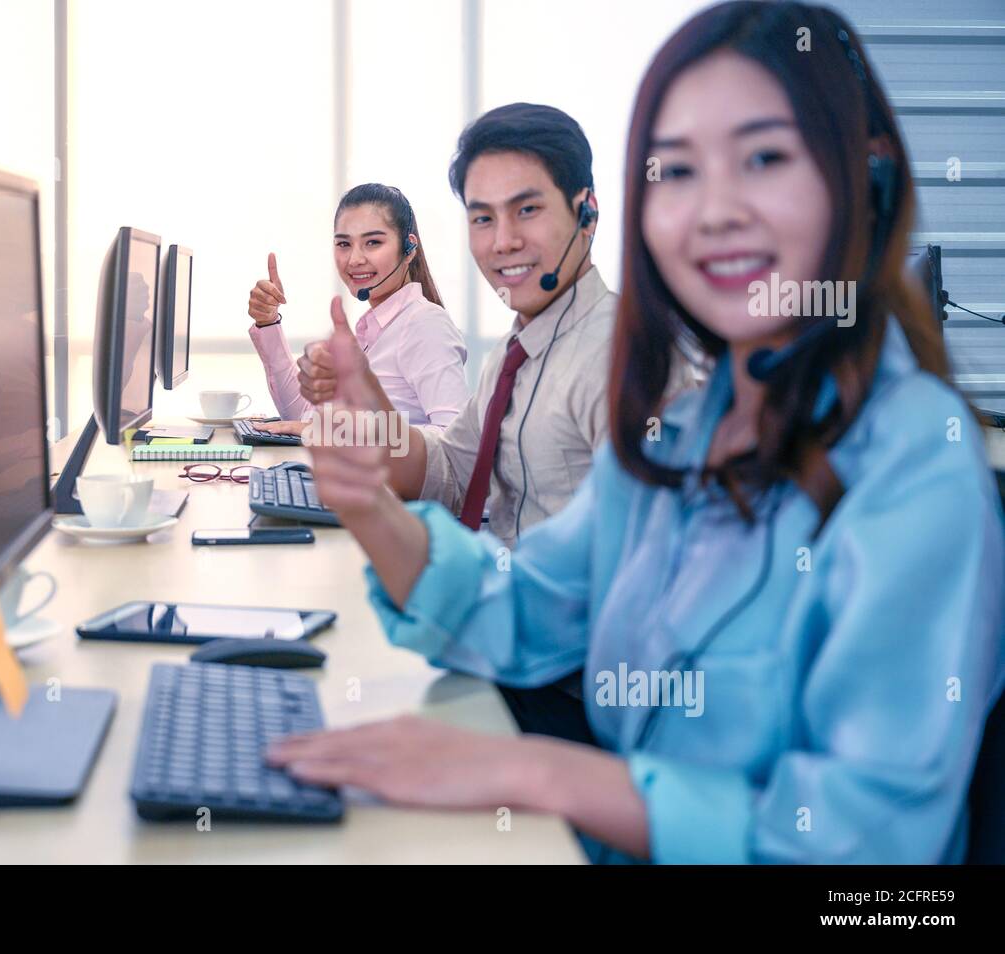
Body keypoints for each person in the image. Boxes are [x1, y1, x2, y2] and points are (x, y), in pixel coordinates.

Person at [270, 0, 1005, 864]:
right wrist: (365, 501)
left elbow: (865, 855)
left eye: (764, 158)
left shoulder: (918, 467)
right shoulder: (682, 435)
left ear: (864, 181)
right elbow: (524, 608)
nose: (714, 211)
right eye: (678, 172)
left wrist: (533, 774)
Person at [297, 104, 627, 546]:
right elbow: (451, 475)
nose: (503, 241)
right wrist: (368, 400)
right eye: (483, 218)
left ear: (587, 214)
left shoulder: (619, 355)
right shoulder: (515, 353)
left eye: (527, 210)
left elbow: (646, 569)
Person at [246, 183, 467, 435]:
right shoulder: (376, 329)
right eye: (344, 244)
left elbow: (453, 441)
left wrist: (342, 433)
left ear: (409, 249)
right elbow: (301, 417)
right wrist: (268, 322)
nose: (354, 259)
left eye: (373, 242)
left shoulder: (425, 324)